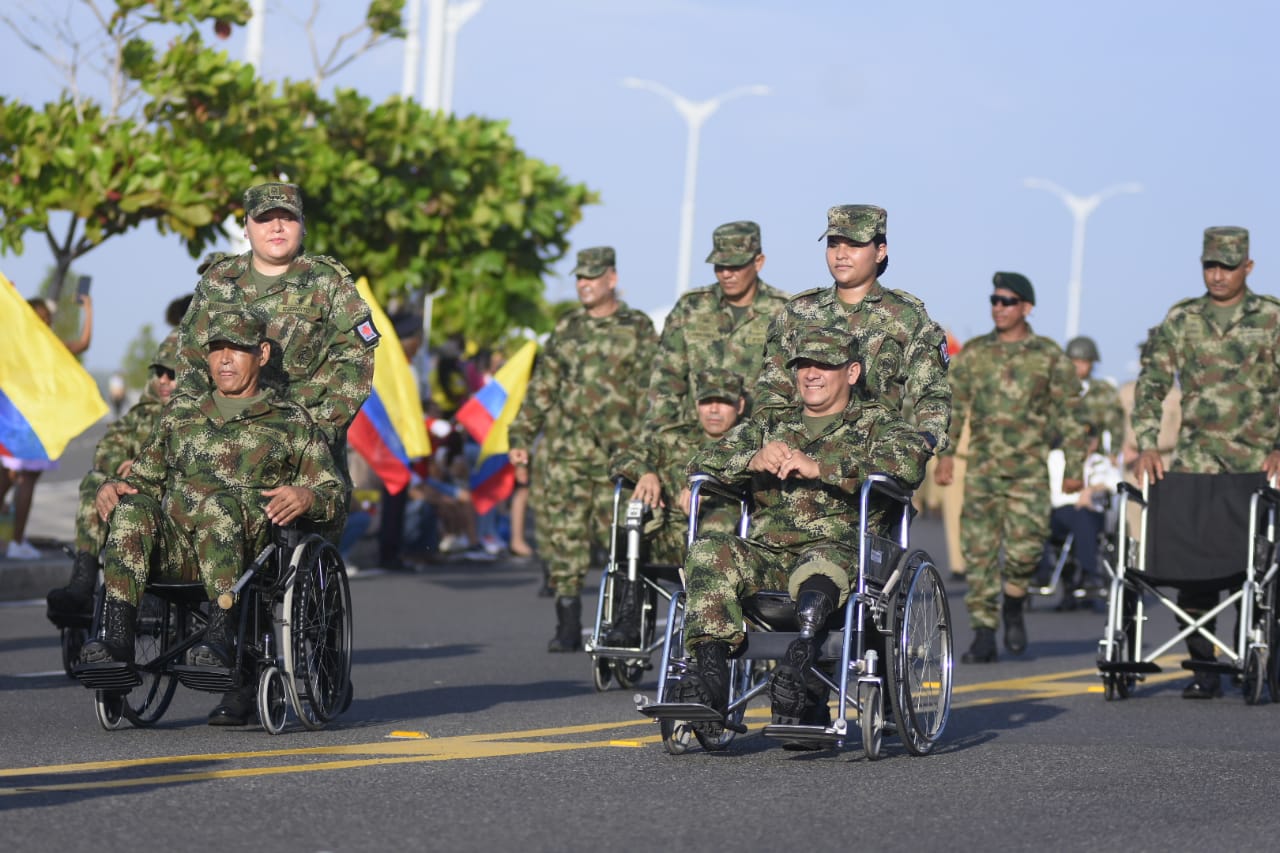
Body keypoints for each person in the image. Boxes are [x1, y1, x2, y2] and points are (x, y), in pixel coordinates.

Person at [82, 310, 344, 725]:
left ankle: (220, 641)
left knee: (219, 507)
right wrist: (113, 486)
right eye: (216, 350)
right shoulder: (180, 415)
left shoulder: (291, 422)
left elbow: (335, 495)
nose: (224, 359)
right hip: (178, 550)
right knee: (131, 509)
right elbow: (144, 482)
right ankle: (115, 644)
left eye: (236, 349)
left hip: (247, 557)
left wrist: (307, 495)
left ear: (260, 353)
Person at [673, 327, 931, 733]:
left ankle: (799, 670)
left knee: (821, 562)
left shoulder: (877, 423)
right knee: (708, 551)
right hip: (769, 555)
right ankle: (709, 680)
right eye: (803, 365)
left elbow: (909, 465)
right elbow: (698, 464)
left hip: (840, 551)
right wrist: (751, 458)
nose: (812, 373)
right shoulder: (771, 423)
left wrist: (823, 468)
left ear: (851, 371)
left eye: (824, 365)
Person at [1132, 226, 1280, 699]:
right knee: (1193, 567)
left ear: (1248, 268)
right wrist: (1148, 443)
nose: (1217, 276)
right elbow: (1153, 380)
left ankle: (1256, 655)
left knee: (1259, 569)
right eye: (1210, 266)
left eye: (1228, 267)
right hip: (1196, 461)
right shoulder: (1183, 318)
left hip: (1259, 463)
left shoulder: (1272, 317)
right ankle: (1203, 664)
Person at [175, 181, 377, 524]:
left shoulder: (329, 284)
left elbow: (354, 367)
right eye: (266, 218)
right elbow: (191, 361)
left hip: (301, 443)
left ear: (303, 226)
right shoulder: (218, 280)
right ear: (247, 227)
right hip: (222, 438)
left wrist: (313, 434)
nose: (277, 227)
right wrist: (192, 425)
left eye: (288, 217)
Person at [508, 246, 658, 652]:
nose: (584, 285)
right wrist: (521, 437)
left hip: (618, 455)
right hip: (566, 454)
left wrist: (651, 450)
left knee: (622, 538)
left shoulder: (638, 327)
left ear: (612, 279)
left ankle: (627, 620)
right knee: (565, 537)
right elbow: (543, 387)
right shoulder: (568, 328)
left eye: (592, 278)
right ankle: (568, 623)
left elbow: (654, 392)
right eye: (579, 278)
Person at [934, 272, 1087, 663]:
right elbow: (955, 407)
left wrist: (1074, 466)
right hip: (983, 470)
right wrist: (946, 455)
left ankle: (1015, 603)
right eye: (995, 300)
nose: (999, 308)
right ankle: (984, 632)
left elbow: (1070, 413)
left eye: (1008, 301)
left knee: (1026, 552)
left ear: (1026, 308)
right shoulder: (976, 354)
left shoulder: (1049, 356)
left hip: (1028, 472)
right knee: (980, 554)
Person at [755, 205, 951, 456]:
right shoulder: (798, 312)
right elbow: (771, 390)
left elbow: (932, 392)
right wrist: (769, 444)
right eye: (834, 244)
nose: (841, 255)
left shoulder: (906, 317)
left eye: (854, 245)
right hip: (796, 459)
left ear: (880, 251)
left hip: (869, 462)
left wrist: (924, 441)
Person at [45, 331, 181, 621]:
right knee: (95, 480)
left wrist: (147, 466)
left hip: (175, 516)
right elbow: (107, 448)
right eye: (160, 372)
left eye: (173, 373)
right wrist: (122, 466)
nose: (165, 380)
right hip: (133, 500)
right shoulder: (142, 414)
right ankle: (83, 577)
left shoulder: (198, 415)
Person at [606, 368, 747, 645]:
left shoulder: (747, 439)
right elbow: (620, 459)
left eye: (724, 402)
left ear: (740, 405)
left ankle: (708, 631)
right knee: (633, 517)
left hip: (720, 544)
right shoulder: (673, 439)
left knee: (718, 522)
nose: (714, 410)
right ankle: (629, 617)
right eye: (707, 402)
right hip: (666, 536)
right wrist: (644, 472)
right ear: (696, 404)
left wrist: (713, 484)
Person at [641, 220, 789, 436]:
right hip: (695, 442)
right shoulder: (691, 307)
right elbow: (666, 380)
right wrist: (659, 439)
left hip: (757, 443)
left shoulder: (784, 312)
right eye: (720, 266)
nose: (726, 274)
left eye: (735, 266)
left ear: (758, 262)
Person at [1, 293, 94, 560]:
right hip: (30, 426)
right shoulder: (44, 346)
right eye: (44, 318)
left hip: (12, 423)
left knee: (7, 480)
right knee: (26, 480)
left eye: (49, 319)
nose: (48, 323)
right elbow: (83, 343)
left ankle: (15, 540)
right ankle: (17, 542)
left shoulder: (16, 345)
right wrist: (88, 309)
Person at [1041, 335, 1126, 608]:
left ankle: (1090, 576)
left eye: (1084, 362)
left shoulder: (1103, 392)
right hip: (1059, 457)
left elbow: (1115, 425)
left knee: (1085, 515)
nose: (1079, 367)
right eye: (1074, 362)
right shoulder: (1056, 391)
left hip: (1093, 464)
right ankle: (1065, 582)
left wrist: (1105, 450)